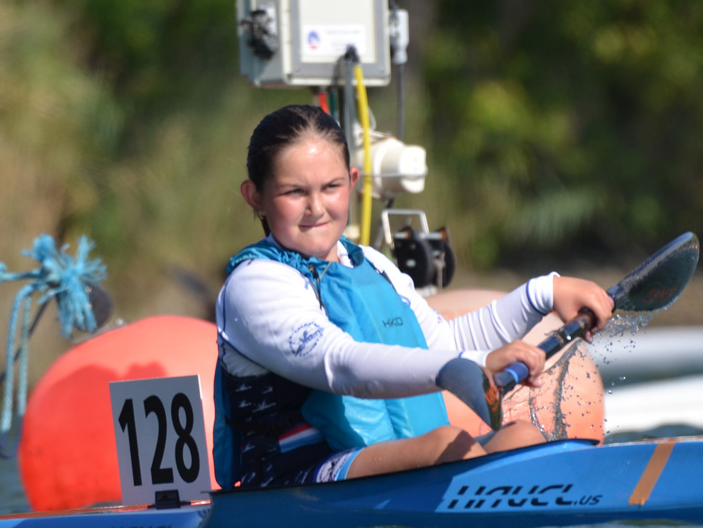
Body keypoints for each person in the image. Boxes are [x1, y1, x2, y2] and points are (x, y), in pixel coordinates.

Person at [213, 104, 613, 490]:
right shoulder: (256, 284)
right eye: (294, 192)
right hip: (290, 480)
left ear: (352, 181)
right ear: (255, 196)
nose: (316, 207)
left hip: (398, 462)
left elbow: (443, 346)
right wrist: (474, 366)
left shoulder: (371, 263)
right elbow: (342, 365)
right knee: (445, 443)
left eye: (331, 187)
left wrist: (543, 292)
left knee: (521, 438)